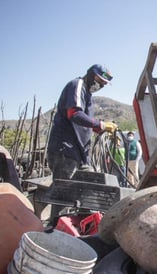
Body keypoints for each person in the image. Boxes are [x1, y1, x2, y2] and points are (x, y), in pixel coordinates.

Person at [46, 64, 117, 218]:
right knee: (63, 194)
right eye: (100, 81)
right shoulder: (77, 85)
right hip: (65, 150)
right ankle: (54, 230)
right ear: (91, 75)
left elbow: (85, 124)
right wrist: (100, 124)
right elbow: (74, 114)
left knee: (88, 188)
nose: (100, 86)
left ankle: (85, 225)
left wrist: (102, 129)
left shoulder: (88, 96)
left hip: (79, 154)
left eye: (104, 84)